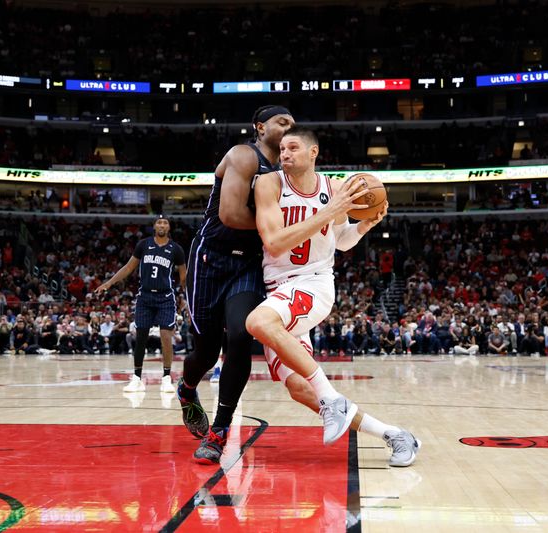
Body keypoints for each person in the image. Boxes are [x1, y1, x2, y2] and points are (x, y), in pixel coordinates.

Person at [245, 126, 420, 467]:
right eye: (281, 148)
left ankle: (332, 401)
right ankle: (395, 435)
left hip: (314, 283)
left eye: (292, 147)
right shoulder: (269, 184)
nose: (284, 154)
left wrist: (363, 227)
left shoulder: (334, 189)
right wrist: (329, 212)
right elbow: (275, 243)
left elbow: (340, 240)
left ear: (313, 153)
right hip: (279, 290)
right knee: (300, 388)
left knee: (257, 321)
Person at [175, 105, 294, 462]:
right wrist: (278, 232)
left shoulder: (286, 174)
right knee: (207, 351)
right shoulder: (244, 156)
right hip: (211, 258)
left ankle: (219, 430)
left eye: (293, 125)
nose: (290, 128)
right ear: (260, 127)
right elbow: (229, 214)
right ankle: (187, 388)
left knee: (242, 337)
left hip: (249, 265)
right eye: (282, 122)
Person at [96, 216, 186, 394]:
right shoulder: (143, 245)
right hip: (144, 297)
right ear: (154, 226)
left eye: (165, 223)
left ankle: (167, 378)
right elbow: (128, 268)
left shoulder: (176, 249)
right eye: (159, 223)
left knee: (166, 336)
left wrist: (186, 294)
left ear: (169, 228)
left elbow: (183, 276)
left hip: (165, 298)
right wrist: (109, 283)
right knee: (141, 338)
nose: (162, 225)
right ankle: (137, 378)